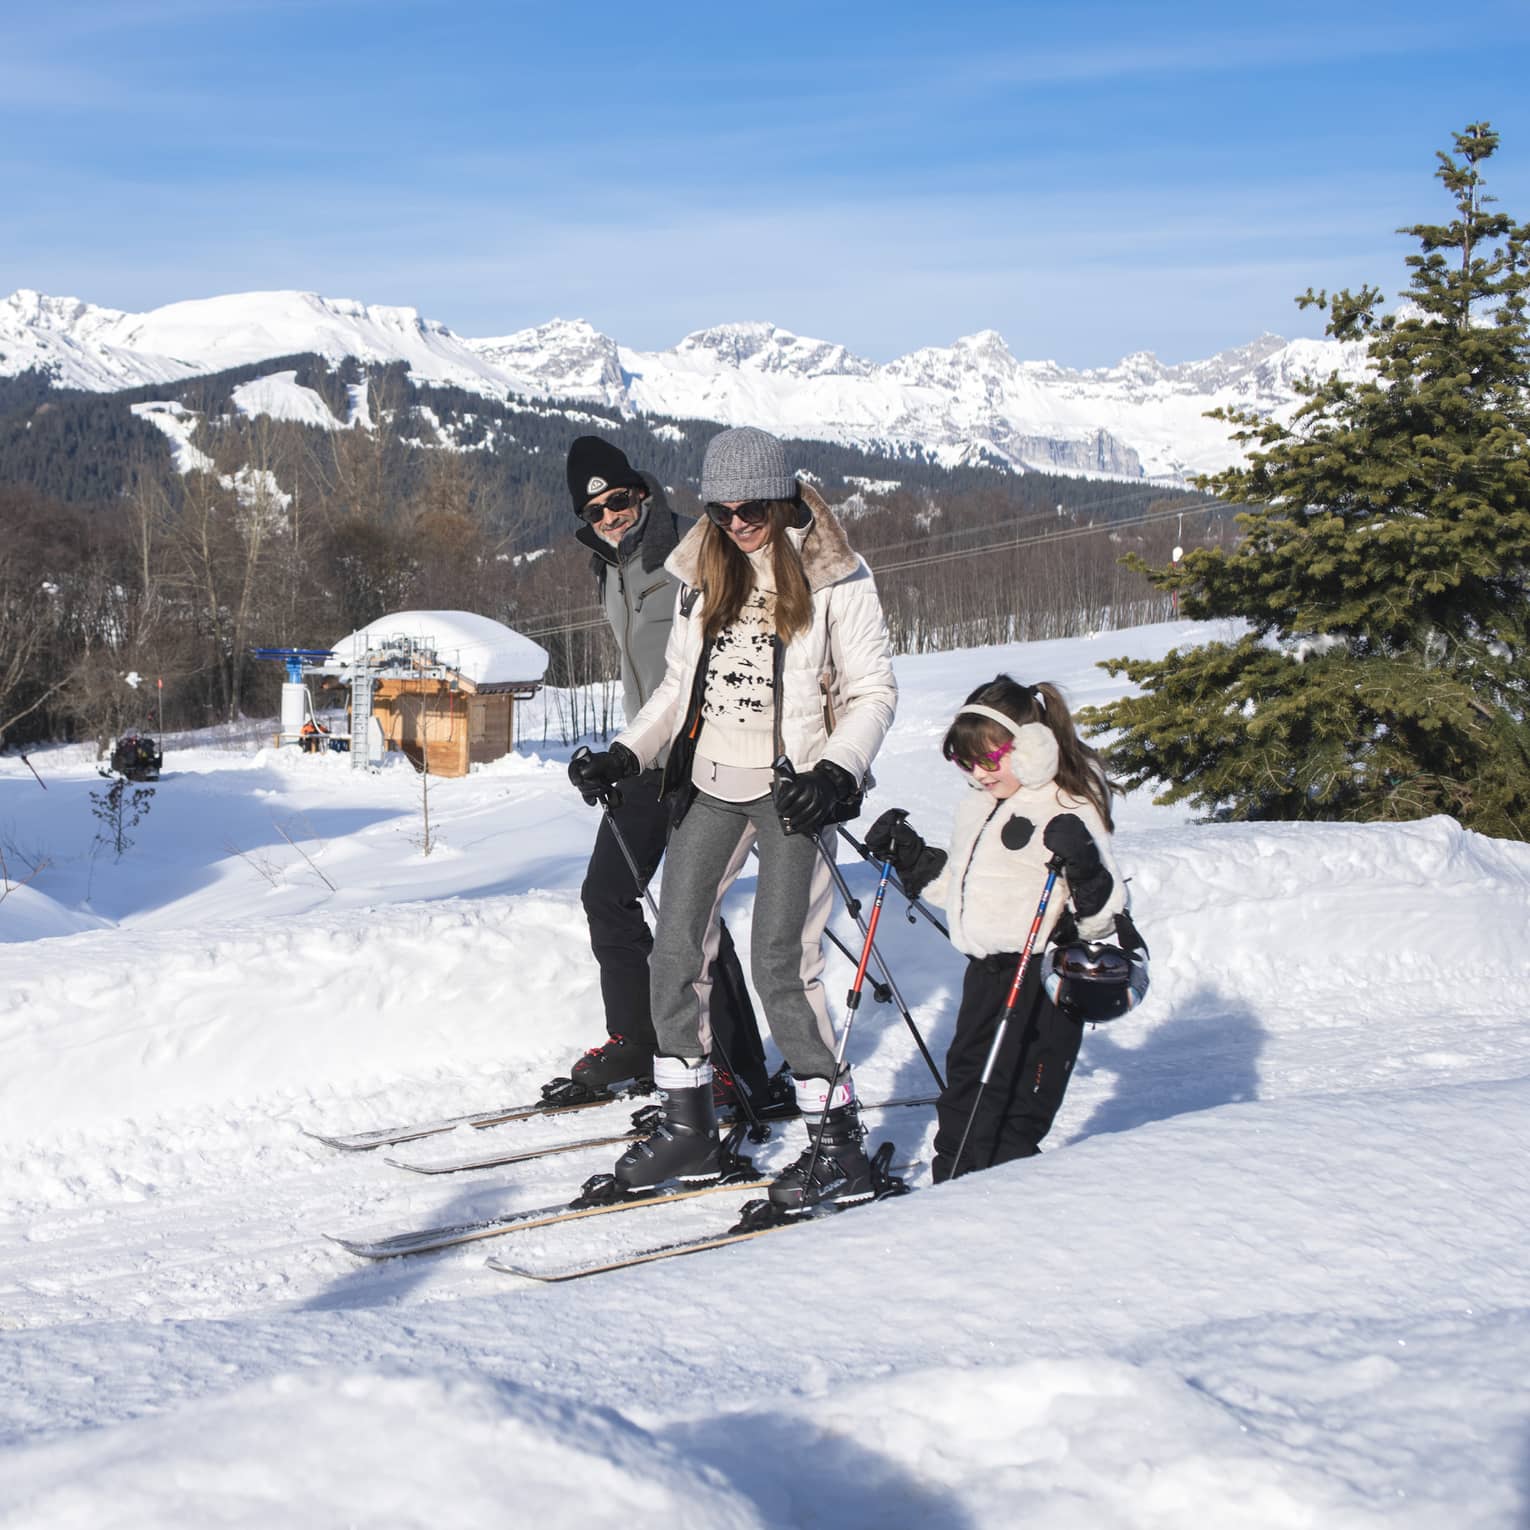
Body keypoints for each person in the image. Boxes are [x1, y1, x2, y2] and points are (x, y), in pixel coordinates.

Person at [569, 426, 897, 1209]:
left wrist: (836, 771)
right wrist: (626, 753)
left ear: (783, 497)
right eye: (720, 509)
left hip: (791, 790)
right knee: (676, 947)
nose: (736, 522)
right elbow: (676, 689)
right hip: (713, 782)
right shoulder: (700, 567)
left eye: (750, 507)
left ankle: (835, 1144)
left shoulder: (835, 575)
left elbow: (874, 691)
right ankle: (690, 1126)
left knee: (783, 960)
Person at [561, 436, 770, 1114]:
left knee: (694, 913)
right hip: (648, 755)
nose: (610, 516)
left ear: (641, 494)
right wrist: (624, 750)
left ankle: (741, 1071)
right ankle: (637, 1039)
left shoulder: (693, 552)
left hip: (708, 755)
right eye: (595, 511)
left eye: (618, 501)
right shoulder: (609, 566)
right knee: (607, 895)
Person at [864, 675, 1138, 1181]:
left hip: (1044, 973)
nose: (977, 772)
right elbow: (962, 891)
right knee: (969, 1077)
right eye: (965, 761)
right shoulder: (981, 805)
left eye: (990, 758)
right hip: (989, 970)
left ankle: (1006, 1183)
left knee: (1020, 1091)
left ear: (1033, 747)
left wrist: (1082, 863)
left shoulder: (1069, 805)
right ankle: (957, 1174)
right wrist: (913, 858)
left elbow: (1101, 917)